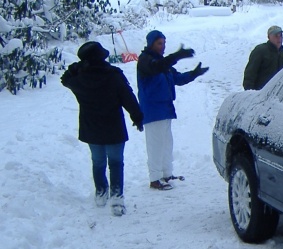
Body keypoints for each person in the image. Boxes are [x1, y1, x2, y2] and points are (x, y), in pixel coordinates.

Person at [61, 41, 144, 217]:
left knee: (98, 162)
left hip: (90, 128)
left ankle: (101, 192)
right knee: (115, 163)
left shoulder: (78, 79)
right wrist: (137, 117)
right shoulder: (113, 76)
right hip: (113, 127)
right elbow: (128, 98)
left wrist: (77, 67)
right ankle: (116, 197)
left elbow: (65, 79)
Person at [137, 30, 209, 191]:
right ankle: (154, 178)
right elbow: (156, 68)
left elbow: (177, 78)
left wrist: (194, 74)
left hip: (165, 108)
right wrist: (176, 56)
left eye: (164, 43)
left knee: (166, 143)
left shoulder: (163, 63)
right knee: (155, 144)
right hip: (152, 110)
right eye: (159, 43)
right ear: (150, 44)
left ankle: (166, 173)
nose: (163, 47)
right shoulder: (146, 61)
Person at [242, 25, 283, 90]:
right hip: (260, 93)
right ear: (269, 37)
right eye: (276, 36)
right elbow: (250, 73)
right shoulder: (260, 51)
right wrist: (249, 92)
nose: (279, 38)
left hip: (278, 95)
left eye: (281, 35)